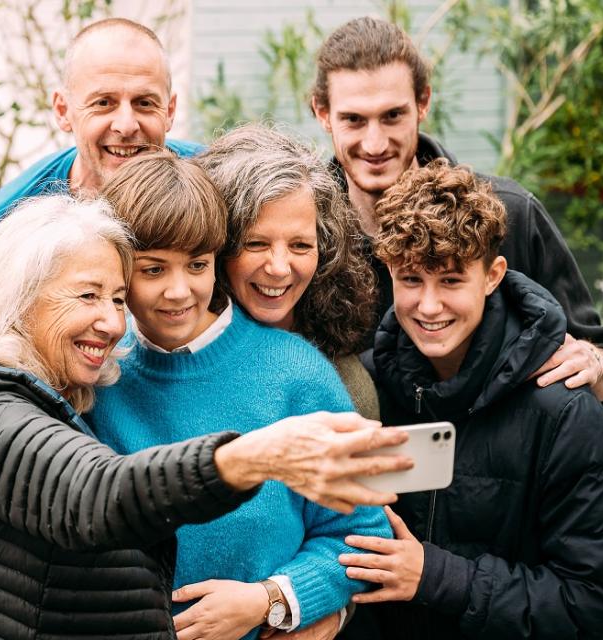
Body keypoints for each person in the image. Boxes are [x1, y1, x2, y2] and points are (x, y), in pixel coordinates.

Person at [0, 195, 414, 640]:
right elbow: (96, 493)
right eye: (89, 295)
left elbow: (356, 534)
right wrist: (250, 456)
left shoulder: (63, 390)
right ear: (19, 300)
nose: (113, 322)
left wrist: (276, 600)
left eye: (116, 298)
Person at [93, 151, 387, 640]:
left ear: (217, 260)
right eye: (152, 270)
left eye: (197, 265)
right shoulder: (98, 369)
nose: (179, 291)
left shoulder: (298, 372)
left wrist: (270, 599)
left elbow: (360, 534)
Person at [338, 160, 603, 639]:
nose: (429, 306)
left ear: (493, 275)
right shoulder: (368, 389)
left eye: (451, 281)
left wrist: (435, 576)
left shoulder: (563, 410)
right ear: (389, 270)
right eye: (411, 280)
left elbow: (588, 605)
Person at [309, 17, 603, 416]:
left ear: (423, 103)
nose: (375, 142)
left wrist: (597, 366)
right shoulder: (304, 236)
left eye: (393, 115)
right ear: (322, 113)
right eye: (354, 120)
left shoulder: (509, 213)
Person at [0, 17, 201, 255]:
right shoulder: (6, 221)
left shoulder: (213, 182)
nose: (126, 126)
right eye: (104, 102)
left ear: (169, 111)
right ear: (63, 110)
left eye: (145, 103)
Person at [196, 123, 379, 419]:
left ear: (326, 249)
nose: (279, 268)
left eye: (300, 246)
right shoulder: (174, 349)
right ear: (216, 245)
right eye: (255, 243)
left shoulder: (344, 384)